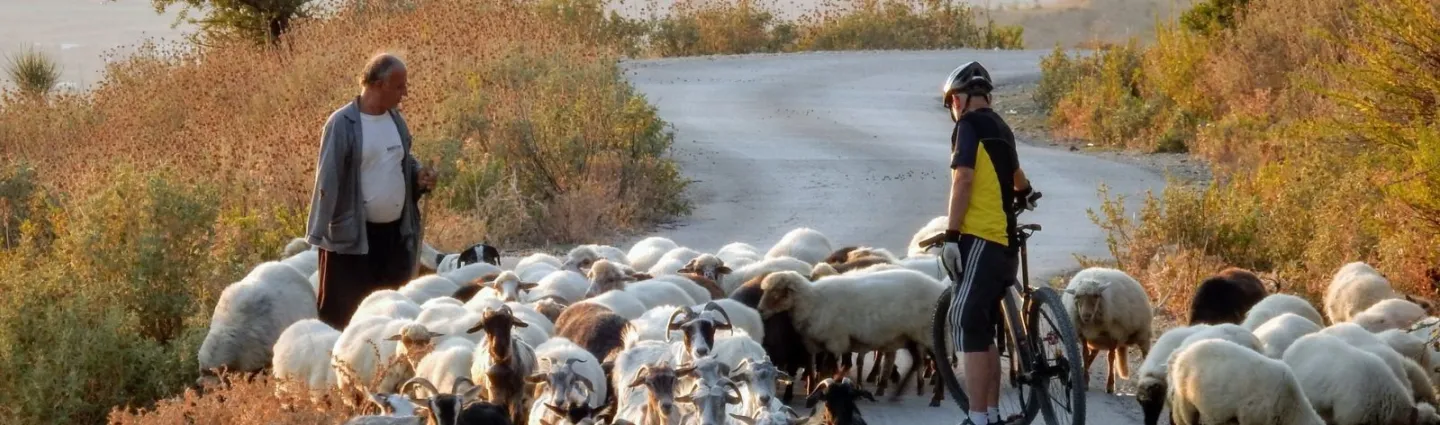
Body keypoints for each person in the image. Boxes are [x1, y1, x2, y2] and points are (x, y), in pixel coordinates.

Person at [305, 52, 438, 329]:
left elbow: (401, 160)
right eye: (399, 86)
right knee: (346, 315)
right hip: (353, 241)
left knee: (390, 313)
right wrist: (318, 237)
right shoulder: (342, 124)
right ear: (378, 84)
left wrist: (418, 175)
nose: (405, 93)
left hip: (393, 238)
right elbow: (326, 180)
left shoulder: (395, 120)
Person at [939, 61, 1034, 425]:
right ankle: (991, 414)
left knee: (963, 320)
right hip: (1005, 246)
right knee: (982, 328)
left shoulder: (967, 127)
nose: (952, 109)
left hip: (982, 238)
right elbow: (1015, 175)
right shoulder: (1000, 126)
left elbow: (962, 179)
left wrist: (951, 235)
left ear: (959, 100)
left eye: (951, 103)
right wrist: (1025, 193)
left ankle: (978, 419)